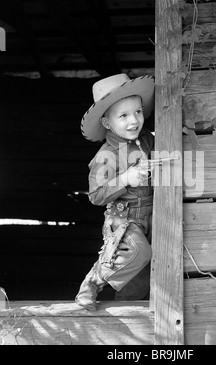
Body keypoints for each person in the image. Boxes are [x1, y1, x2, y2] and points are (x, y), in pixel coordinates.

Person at [75, 73, 155, 310]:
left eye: (138, 112)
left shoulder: (146, 140)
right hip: (125, 218)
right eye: (123, 116)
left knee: (139, 278)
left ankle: (125, 319)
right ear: (107, 123)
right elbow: (95, 195)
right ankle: (91, 284)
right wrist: (126, 178)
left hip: (151, 216)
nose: (134, 120)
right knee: (137, 252)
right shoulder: (106, 155)